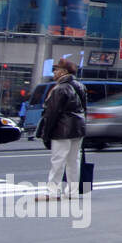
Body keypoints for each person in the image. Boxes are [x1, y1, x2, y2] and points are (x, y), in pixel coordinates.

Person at [37, 59, 88, 198]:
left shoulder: (60, 88)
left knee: (58, 161)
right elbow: (84, 109)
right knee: (74, 161)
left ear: (63, 72)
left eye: (56, 69)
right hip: (78, 128)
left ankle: (53, 192)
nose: (54, 72)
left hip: (62, 129)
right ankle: (72, 192)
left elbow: (52, 113)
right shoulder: (80, 86)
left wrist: (46, 133)